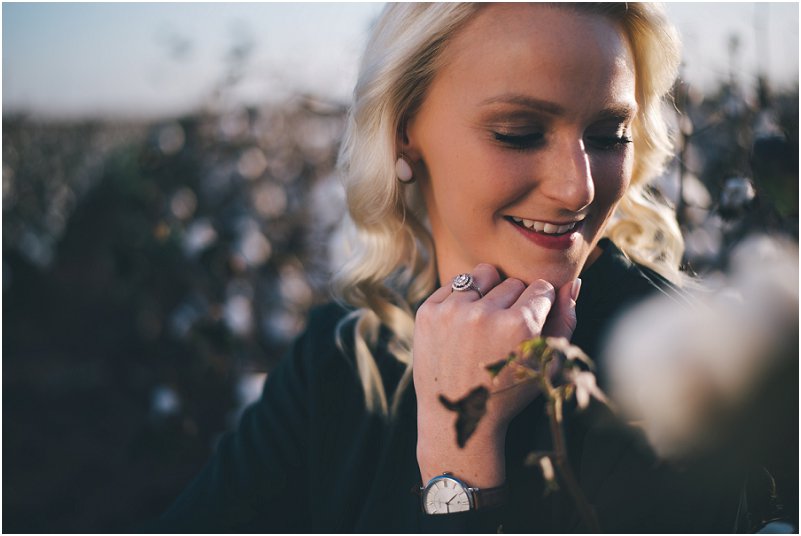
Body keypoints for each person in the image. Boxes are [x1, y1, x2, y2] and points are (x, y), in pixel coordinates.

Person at [150, 3, 746, 532]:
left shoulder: (686, 369)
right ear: (404, 132)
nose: (577, 189)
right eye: (519, 133)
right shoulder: (347, 352)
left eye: (609, 133)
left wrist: (459, 469)